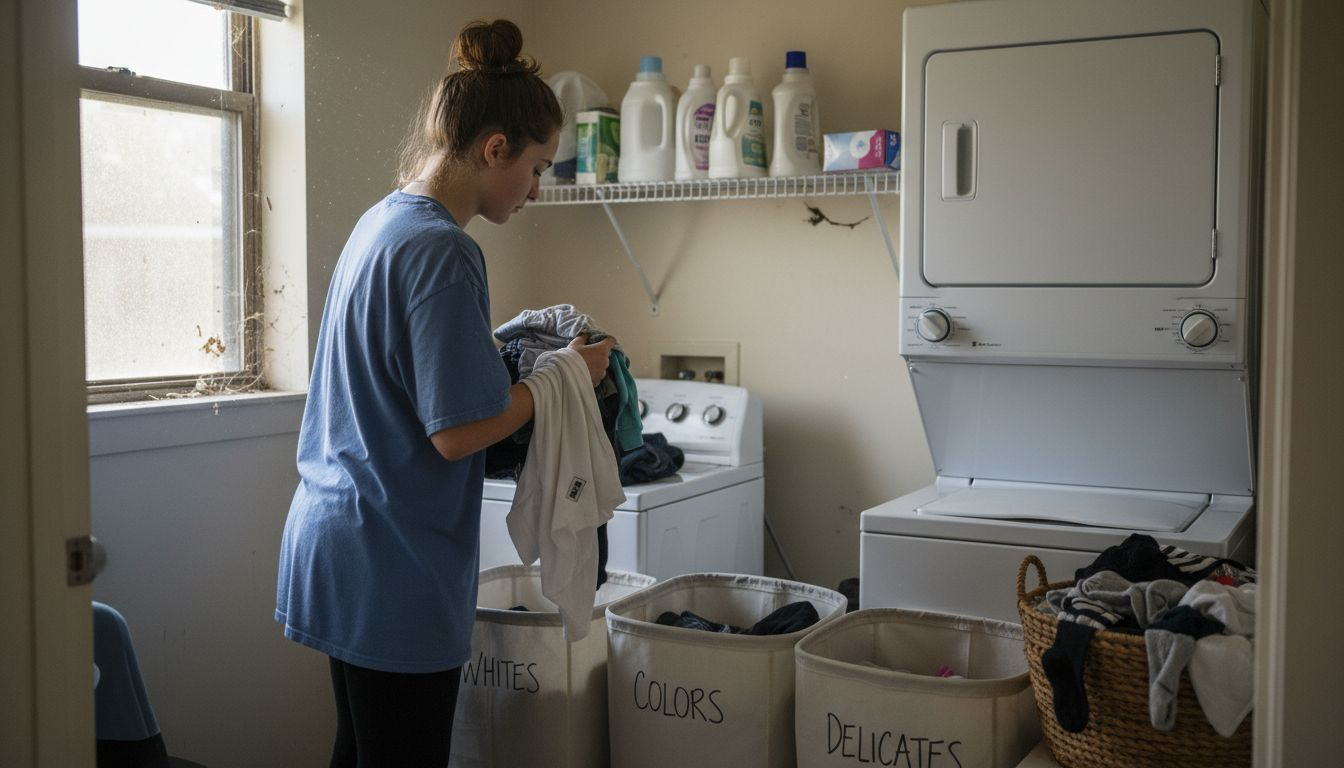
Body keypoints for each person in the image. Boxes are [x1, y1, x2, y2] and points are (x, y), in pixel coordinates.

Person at [274, 19, 616, 767]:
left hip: (334, 539)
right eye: (535, 168)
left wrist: (499, 349)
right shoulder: (444, 248)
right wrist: (568, 377)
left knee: (359, 750)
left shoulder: (383, 223)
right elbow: (459, 431)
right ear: (494, 149)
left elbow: (404, 376)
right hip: (391, 562)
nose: (535, 189)